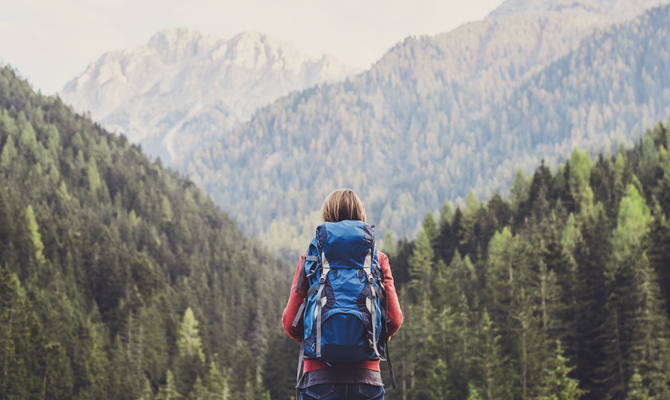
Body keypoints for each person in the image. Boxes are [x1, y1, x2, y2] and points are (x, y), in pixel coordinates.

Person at [282, 189, 403, 400]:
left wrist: (319, 341)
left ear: (326, 214)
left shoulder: (310, 259)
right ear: (361, 214)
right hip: (367, 380)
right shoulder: (378, 260)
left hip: (318, 380)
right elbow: (395, 319)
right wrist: (369, 340)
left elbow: (290, 323)